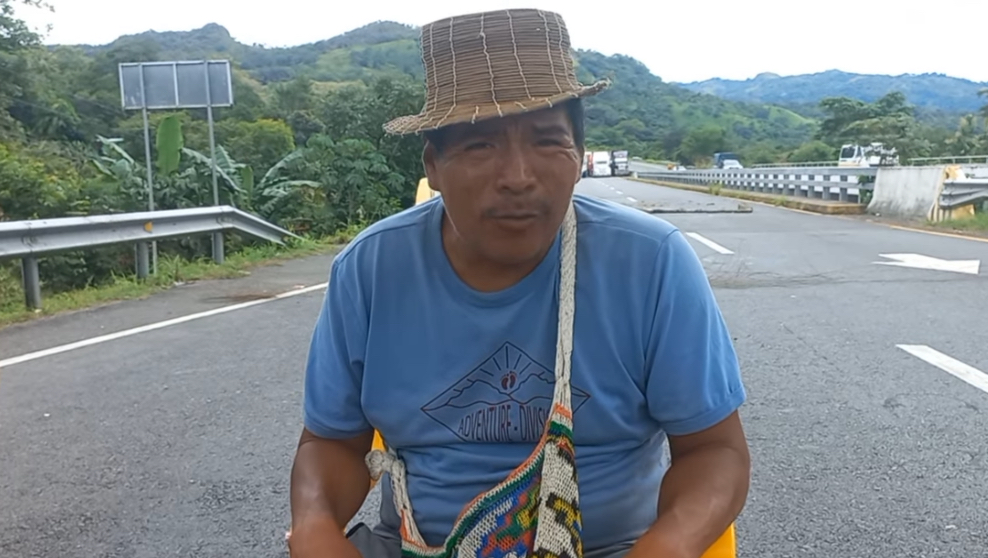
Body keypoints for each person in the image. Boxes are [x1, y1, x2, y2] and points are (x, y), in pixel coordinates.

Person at [289, 8, 750, 558]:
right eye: (480, 145)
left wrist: (667, 546)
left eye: (547, 141)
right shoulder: (370, 270)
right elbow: (333, 443)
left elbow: (714, 451)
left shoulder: (649, 262)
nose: (518, 177)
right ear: (433, 164)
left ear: (578, 156)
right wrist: (314, 526)